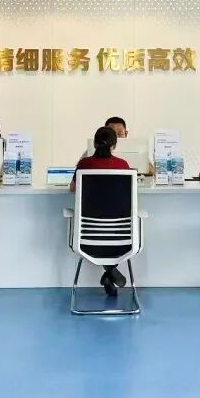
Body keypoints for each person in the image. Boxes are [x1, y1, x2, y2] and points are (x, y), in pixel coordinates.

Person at [70, 125, 133, 297]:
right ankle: (111, 271)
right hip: (121, 237)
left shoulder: (84, 164)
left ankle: (109, 272)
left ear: (94, 143)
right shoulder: (122, 165)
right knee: (111, 235)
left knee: (101, 236)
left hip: (87, 236)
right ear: (115, 145)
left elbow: (73, 188)